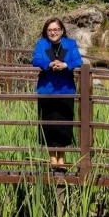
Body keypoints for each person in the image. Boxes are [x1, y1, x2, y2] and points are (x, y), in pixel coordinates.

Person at [32, 18, 83, 166]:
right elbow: (35, 60)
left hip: (65, 90)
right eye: (49, 30)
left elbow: (78, 61)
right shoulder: (42, 44)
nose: (53, 32)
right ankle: (52, 159)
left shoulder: (70, 44)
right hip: (46, 90)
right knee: (48, 124)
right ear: (46, 32)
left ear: (61, 31)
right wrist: (49, 64)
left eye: (55, 29)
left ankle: (61, 159)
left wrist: (65, 65)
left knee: (64, 124)